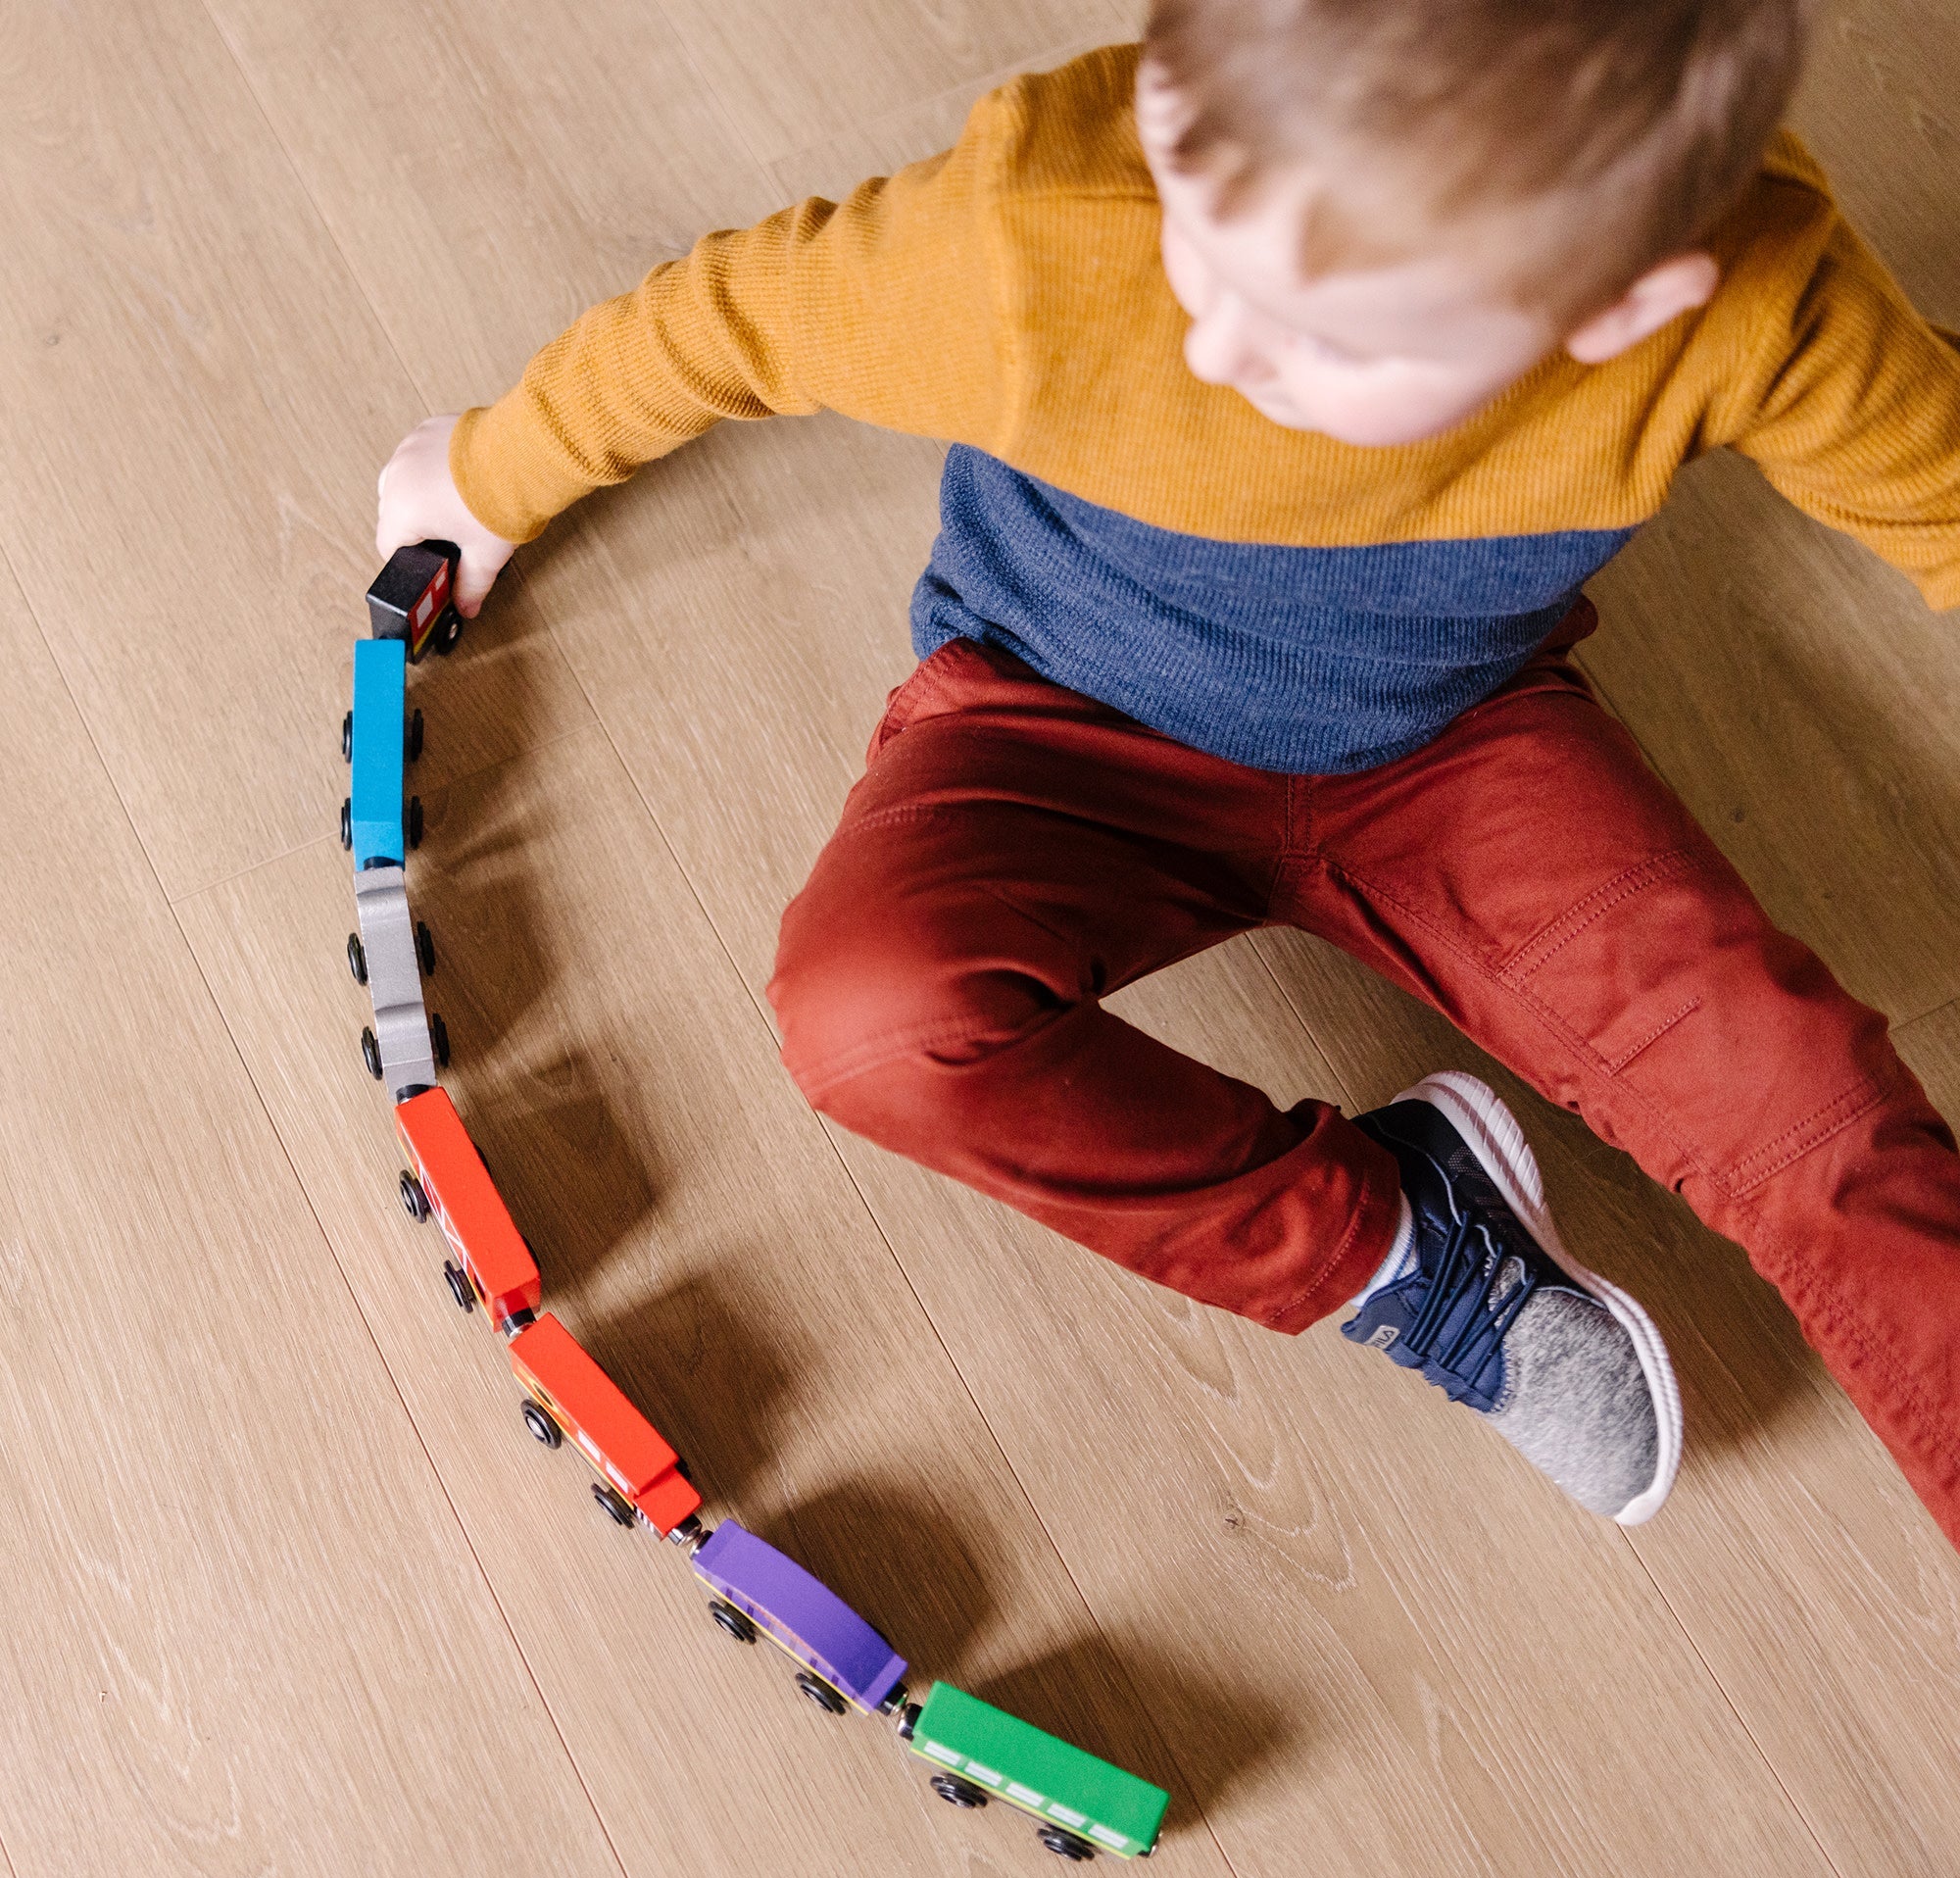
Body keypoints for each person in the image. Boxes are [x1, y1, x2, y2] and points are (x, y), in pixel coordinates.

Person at [374, 0, 1960, 1543]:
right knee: (873, 1019)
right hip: (1056, 726)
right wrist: (482, 476)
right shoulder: (1047, 233)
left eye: (1323, 333)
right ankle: (1397, 1243)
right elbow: (722, 324)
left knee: (1831, 1134)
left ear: (1616, 303)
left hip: (1460, 748)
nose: (1211, 337)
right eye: (1202, 230)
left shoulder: (1754, 295)